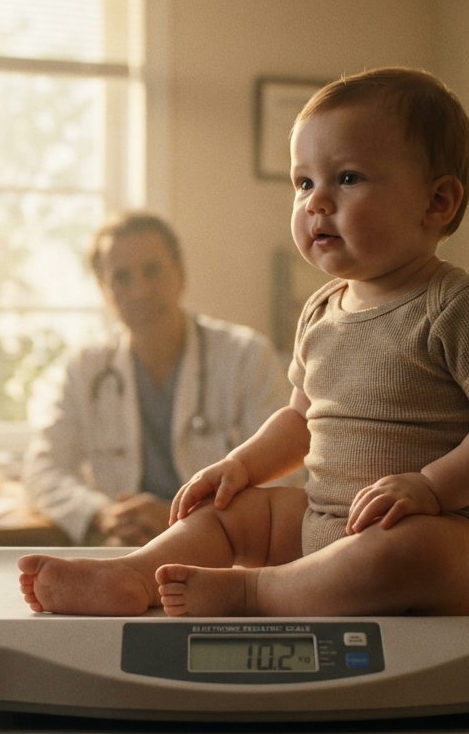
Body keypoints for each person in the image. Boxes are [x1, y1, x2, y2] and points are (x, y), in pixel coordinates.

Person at [17, 67, 469, 618]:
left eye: (347, 179)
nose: (316, 202)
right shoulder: (322, 311)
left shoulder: (459, 305)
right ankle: (133, 575)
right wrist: (243, 465)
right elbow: (299, 419)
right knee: (232, 513)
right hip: (326, 522)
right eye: (303, 183)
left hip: (448, 535)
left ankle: (256, 591)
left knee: (405, 553)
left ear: (437, 202)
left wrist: (432, 488)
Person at [22, 212, 294, 546]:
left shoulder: (246, 356)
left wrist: (178, 516)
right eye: (121, 277)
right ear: (104, 291)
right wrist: (101, 512)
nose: (140, 290)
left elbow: (286, 472)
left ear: (180, 274)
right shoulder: (84, 367)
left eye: (152, 271)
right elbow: (43, 469)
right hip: (125, 544)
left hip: (225, 548)